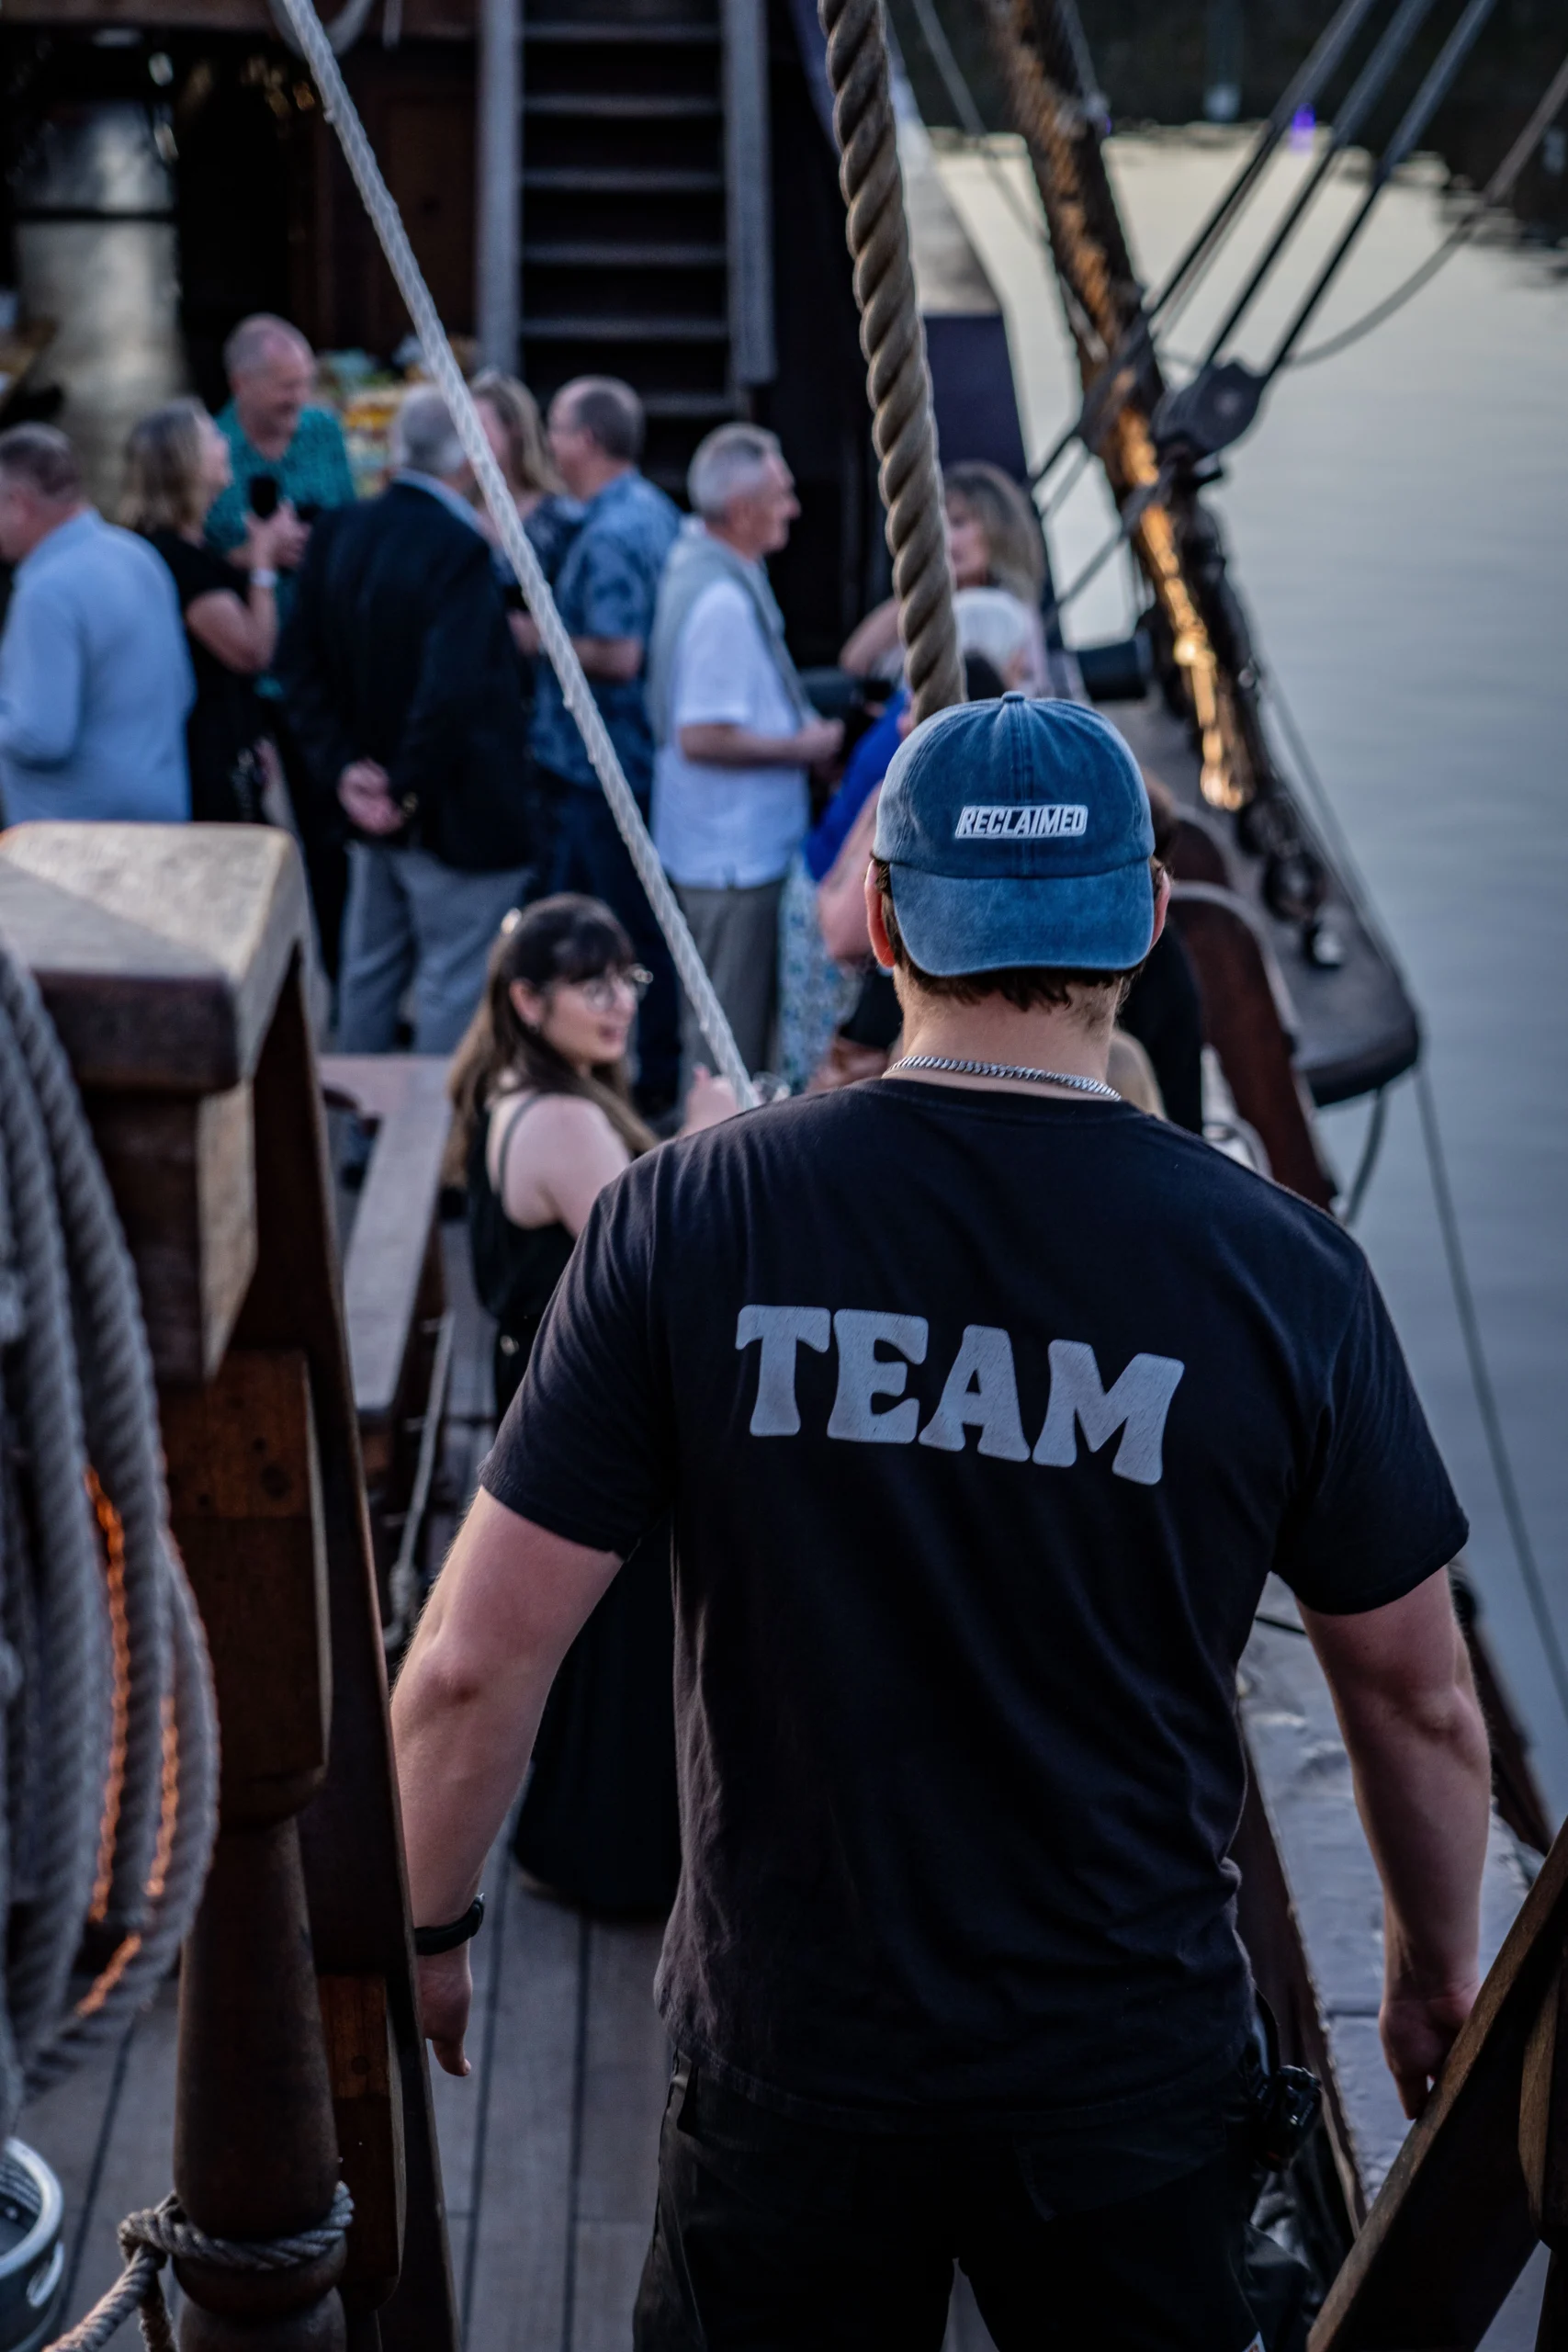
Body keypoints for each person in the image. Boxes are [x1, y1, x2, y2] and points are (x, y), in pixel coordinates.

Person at [392, 690, 1491, 2347]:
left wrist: (424, 1922)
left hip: (788, 2057)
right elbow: (1414, 1694)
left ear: (889, 920)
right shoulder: (1281, 1273)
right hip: (1126, 2073)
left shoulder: (690, 1219)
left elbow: (472, 1666)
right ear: (1137, 918)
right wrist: (1427, 1972)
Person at [446, 893, 735, 1913]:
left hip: (547, 1390)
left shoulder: (514, 1093)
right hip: (589, 1418)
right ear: (529, 1001)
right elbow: (660, 1260)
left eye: (627, 980)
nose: (619, 1004)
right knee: (626, 1641)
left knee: (607, 1640)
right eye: (591, 984)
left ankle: (589, 1839)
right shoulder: (565, 1119)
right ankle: (612, 1857)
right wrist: (709, 1140)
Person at [277, 388, 534, 1056]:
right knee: (452, 983)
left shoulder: (338, 530)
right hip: (448, 812)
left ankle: (357, 1136)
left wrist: (346, 775)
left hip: (371, 804)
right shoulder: (460, 551)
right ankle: (426, 1149)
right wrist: (400, 787)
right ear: (467, 461)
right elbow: (452, 691)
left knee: (369, 971)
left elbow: (298, 668)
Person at [648, 424, 843, 1087]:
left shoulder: (699, 558)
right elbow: (700, 734)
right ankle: (708, 1176)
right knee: (724, 1043)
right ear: (741, 511)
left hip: (712, 849)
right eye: (781, 495)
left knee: (718, 1031)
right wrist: (803, 746)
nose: (793, 507)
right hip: (732, 863)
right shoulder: (722, 603)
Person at [525, 376, 682, 1111]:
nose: (548, 444)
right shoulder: (653, 511)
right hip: (625, 759)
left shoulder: (614, 535)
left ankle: (643, 1081)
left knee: (621, 926)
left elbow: (619, 654)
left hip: (605, 766)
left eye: (555, 429)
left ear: (584, 441)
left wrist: (535, 637)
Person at [207, 314, 359, 971]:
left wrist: (310, 546)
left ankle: (336, 965)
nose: (297, 399)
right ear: (243, 384)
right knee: (240, 829)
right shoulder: (213, 446)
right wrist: (258, 556)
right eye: (283, 387)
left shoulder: (323, 432)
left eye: (303, 384)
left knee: (328, 830)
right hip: (242, 663)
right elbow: (203, 551)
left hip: (316, 659)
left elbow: (346, 516)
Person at [0, 424, 193, 826]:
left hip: (78, 848)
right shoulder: (136, 553)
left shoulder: (46, 594)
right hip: (163, 819)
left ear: (18, 503)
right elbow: (182, 691)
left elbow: (41, 737)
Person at [123, 398, 292, 824]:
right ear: (188, 462)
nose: (225, 443)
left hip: (225, 745)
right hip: (207, 764)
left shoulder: (190, 547)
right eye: (212, 437)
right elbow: (253, 651)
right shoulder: (176, 558)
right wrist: (264, 563)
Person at [841, 460, 1050, 694]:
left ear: (998, 530)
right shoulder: (924, 603)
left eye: (959, 523)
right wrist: (921, 589)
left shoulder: (1011, 611)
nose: (946, 538)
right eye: (938, 524)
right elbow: (854, 662)